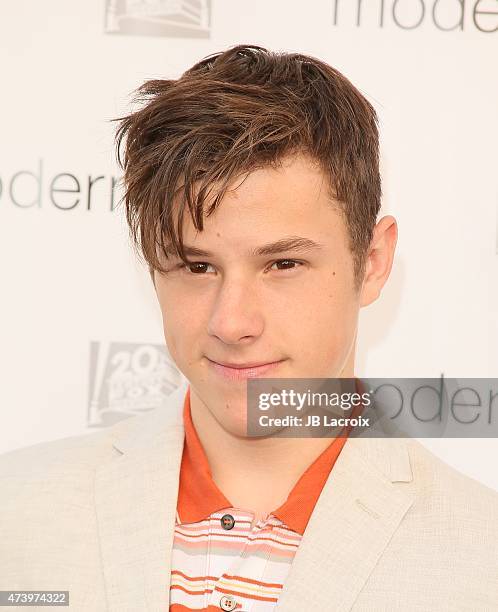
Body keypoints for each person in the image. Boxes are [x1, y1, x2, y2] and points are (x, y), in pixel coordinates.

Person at [1, 44, 497, 611]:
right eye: (197, 266)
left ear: (373, 262)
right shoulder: (15, 514)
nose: (231, 322)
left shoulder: (482, 563)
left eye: (283, 264)